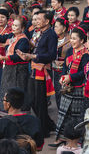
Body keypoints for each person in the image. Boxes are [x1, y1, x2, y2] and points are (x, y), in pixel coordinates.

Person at [16, 10, 57, 138]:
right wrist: (27, 54)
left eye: (39, 19)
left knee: (39, 102)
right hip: (35, 69)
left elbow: (51, 55)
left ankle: (44, 129)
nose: (36, 22)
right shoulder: (41, 32)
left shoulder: (51, 35)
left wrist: (33, 55)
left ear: (47, 21)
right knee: (32, 100)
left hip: (42, 70)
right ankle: (49, 125)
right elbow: (38, 48)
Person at [52, 25, 89, 146]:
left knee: (76, 115)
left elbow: (84, 72)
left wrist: (70, 77)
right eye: (71, 38)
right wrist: (63, 77)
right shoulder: (70, 51)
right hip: (67, 87)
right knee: (64, 113)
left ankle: (77, 140)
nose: (72, 41)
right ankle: (62, 137)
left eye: (75, 39)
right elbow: (64, 66)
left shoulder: (86, 54)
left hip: (78, 89)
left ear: (82, 40)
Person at [0, 14, 29, 112]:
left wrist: (4, 57)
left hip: (18, 70)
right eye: (13, 25)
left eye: (16, 26)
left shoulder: (23, 40)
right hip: (8, 68)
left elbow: (18, 56)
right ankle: (7, 111)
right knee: (7, 90)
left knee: (17, 92)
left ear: (22, 28)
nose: (13, 28)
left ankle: (20, 112)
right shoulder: (11, 36)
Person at [0, 87, 44, 153]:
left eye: (4, 100)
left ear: (8, 104)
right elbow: (39, 147)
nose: (3, 102)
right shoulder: (35, 121)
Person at [52, 18, 71, 108]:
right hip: (55, 70)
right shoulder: (52, 38)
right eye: (54, 26)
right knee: (58, 92)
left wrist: (63, 62)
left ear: (63, 28)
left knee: (66, 92)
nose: (54, 28)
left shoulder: (70, 40)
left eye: (56, 27)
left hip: (67, 70)